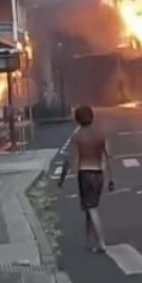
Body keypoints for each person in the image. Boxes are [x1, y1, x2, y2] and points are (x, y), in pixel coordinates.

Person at [58, 105, 114, 252]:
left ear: (77, 119)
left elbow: (69, 159)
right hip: (99, 174)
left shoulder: (78, 136)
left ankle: (101, 243)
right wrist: (111, 179)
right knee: (89, 207)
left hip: (85, 174)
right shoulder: (100, 134)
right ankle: (88, 241)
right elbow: (108, 156)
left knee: (91, 208)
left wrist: (62, 178)